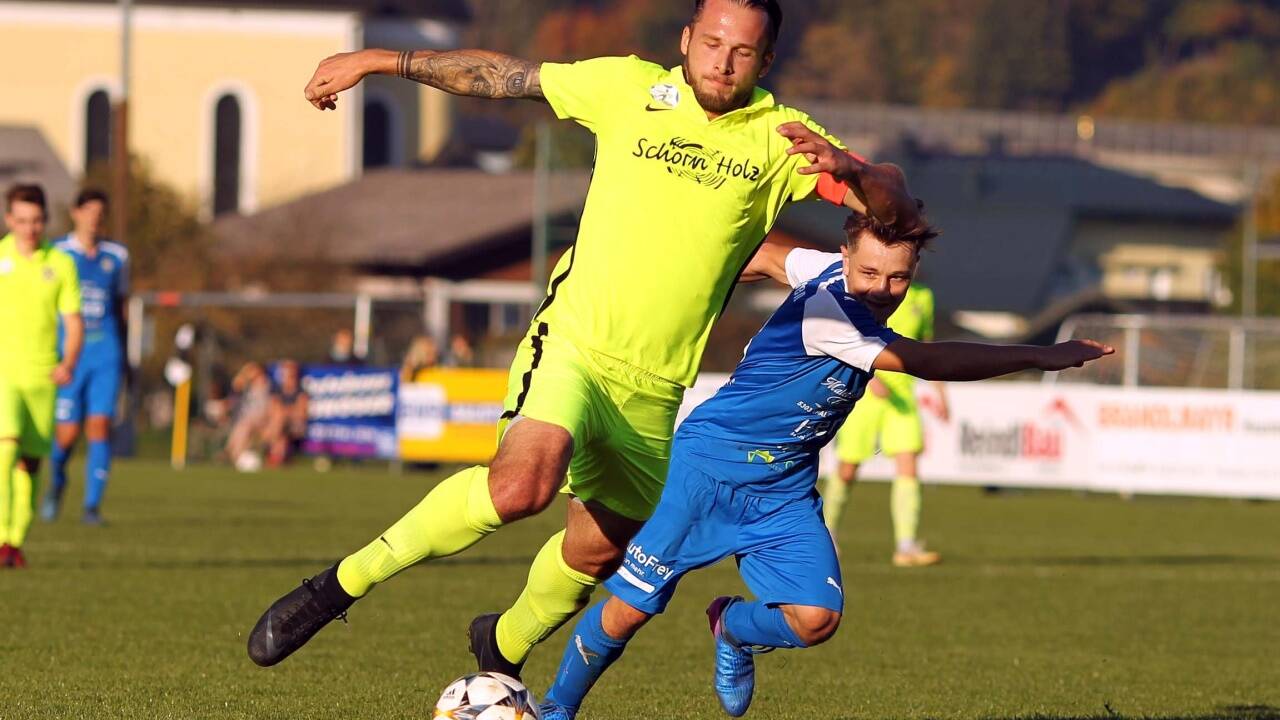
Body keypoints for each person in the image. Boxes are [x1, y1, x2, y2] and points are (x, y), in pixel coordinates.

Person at [247, 0, 926, 675]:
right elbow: (504, 75)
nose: (723, 59)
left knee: (596, 551)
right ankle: (338, 586)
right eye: (712, 41)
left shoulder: (785, 139)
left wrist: (852, 168)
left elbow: (896, 203)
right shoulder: (627, 87)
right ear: (687, 38)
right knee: (521, 488)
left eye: (743, 51)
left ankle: (503, 648)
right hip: (574, 342)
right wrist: (380, 59)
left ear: (765, 60)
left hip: (657, 386)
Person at [536, 214, 1112, 720]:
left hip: (783, 490)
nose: (882, 289)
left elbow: (761, 257)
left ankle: (732, 626)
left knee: (816, 618)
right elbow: (925, 359)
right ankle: (556, 709)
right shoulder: (830, 314)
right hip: (706, 473)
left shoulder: (823, 268)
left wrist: (706, 272)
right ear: (845, 259)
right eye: (870, 274)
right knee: (628, 612)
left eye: (898, 278)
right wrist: (1041, 355)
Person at [822, 282, 950, 566]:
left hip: (902, 397)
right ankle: (827, 534)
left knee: (909, 464)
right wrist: (871, 376)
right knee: (848, 467)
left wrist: (940, 392)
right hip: (866, 394)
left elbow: (926, 347)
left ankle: (906, 546)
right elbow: (852, 337)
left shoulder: (923, 296)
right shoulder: (873, 289)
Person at [0, 184, 83, 568]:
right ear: (8, 220)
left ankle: (15, 540)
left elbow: (73, 321)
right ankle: (1, 536)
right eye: (22, 220)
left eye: (36, 221)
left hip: (43, 378)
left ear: (45, 221)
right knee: (5, 447)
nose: (29, 228)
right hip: (4, 374)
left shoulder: (61, 263)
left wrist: (67, 362)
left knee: (29, 465)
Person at [41, 189, 129, 525]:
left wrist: (126, 355)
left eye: (100, 212)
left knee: (100, 426)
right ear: (76, 213)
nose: (94, 218)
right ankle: (57, 480)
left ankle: (91, 506)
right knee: (66, 432)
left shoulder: (117, 256)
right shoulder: (58, 253)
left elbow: (122, 308)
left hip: (105, 350)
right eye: (88, 211)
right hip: (69, 353)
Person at [225, 362, 273, 471]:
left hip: (261, 419)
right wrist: (244, 374)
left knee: (244, 426)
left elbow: (267, 408)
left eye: (251, 370)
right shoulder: (248, 387)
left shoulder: (268, 386)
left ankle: (234, 455)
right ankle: (234, 454)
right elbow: (236, 384)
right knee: (242, 426)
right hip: (247, 419)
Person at [263, 360, 309, 467]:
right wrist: (290, 410)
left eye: (291, 374)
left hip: (295, 425)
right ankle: (278, 458)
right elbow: (272, 409)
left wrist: (285, 412)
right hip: (278, 425)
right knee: (280, 430)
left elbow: (302, 413)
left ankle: (273, 456)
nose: (289, 377)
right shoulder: (277, 391)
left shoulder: (301, 392)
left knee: (280, 420)